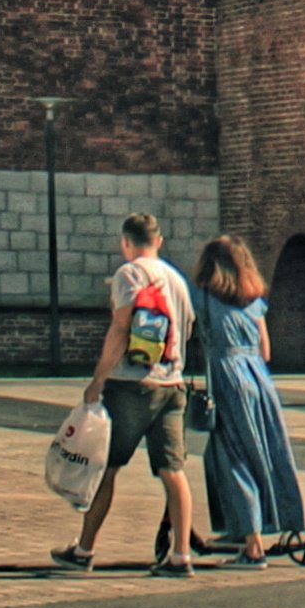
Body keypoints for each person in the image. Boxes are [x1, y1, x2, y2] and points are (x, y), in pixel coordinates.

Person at [58, 212, 199, 574]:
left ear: (126, 242)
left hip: (131, 385)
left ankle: (85, 550)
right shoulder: (177, 279)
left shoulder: (129, 274)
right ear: (159, 241)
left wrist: (98, 379)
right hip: (173, 384)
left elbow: (121, 329)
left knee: (108, 467)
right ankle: (181, 555)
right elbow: (189, 327)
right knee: (173, 470)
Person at [196, 235, 305, 562]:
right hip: (258, 377)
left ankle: (251, 541)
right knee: (267, 450)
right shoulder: (254, 299)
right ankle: (271, 520)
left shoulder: (204, 296)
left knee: (233, 456)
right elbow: (266, 349)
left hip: (228, 375)